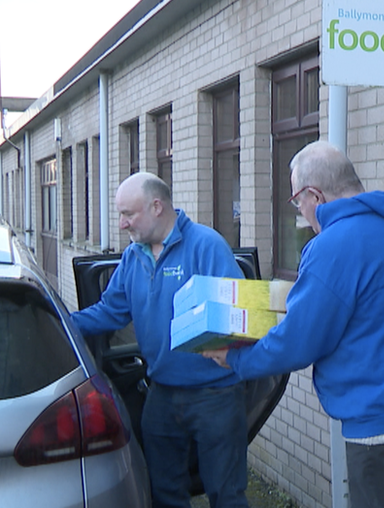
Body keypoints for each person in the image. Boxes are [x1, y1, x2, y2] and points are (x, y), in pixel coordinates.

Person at [205, 140, 384, 508]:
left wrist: (235, 361)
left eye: (297, 202)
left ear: (314, 195)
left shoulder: (333, 245)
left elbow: (297, 344)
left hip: (380, 419)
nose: (300, 213)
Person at [71, 172, 250, 508]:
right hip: (161, 393)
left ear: (157, 206)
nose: (122, 224)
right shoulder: (133, 256)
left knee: (226, 494)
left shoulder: (205, 246)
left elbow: (239, 313)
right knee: (163, 492)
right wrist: (60, 323)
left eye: (128, 214)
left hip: (215, 395)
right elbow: (110, 312)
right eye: (120, 214)